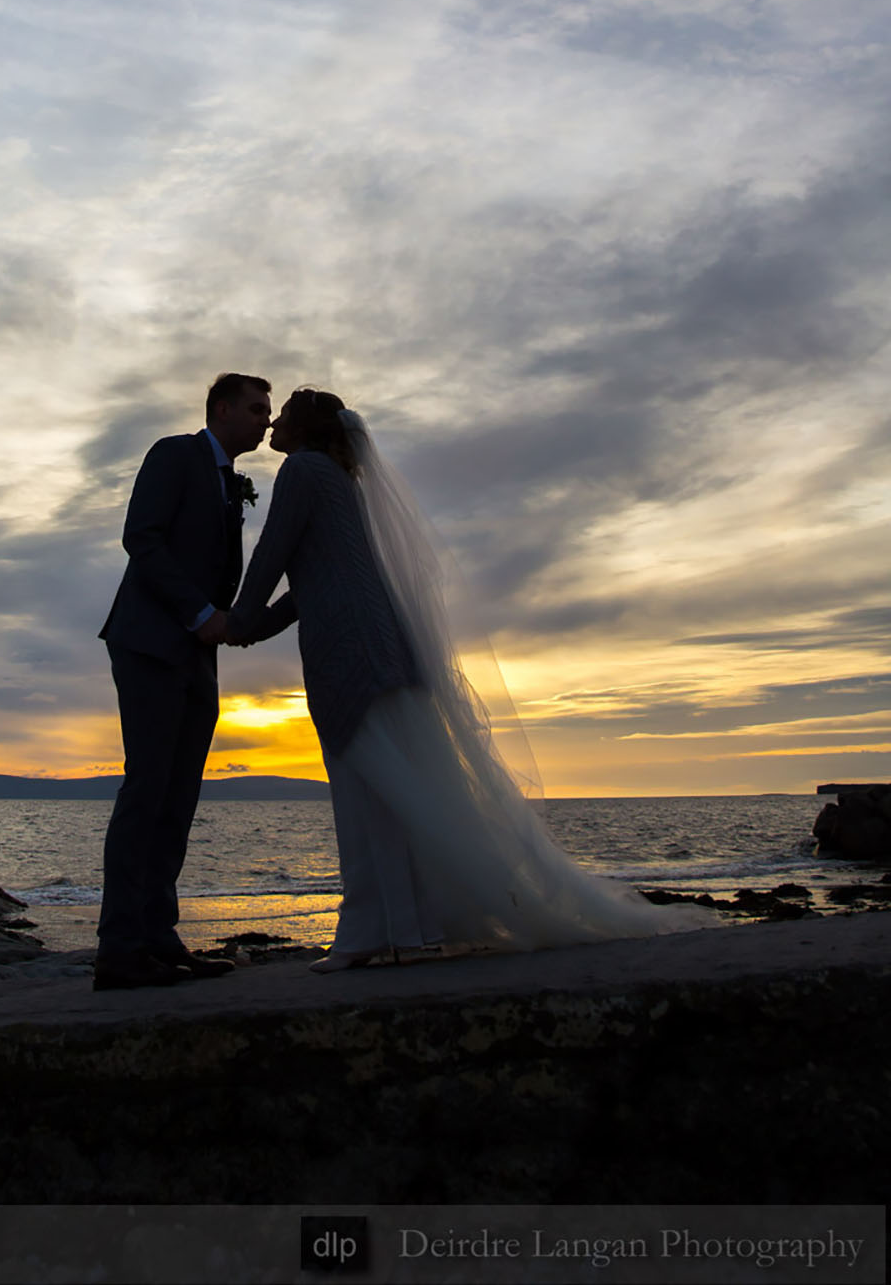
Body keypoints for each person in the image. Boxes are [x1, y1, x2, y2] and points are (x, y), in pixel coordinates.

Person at [225, 388, 715, 972]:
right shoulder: (341, 481)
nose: (273, 421)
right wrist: (251, 628)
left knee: (363, 793)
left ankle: (369, 932)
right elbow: (312, 581)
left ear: (304, 428)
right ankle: (410, 928)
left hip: (347, 650)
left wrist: (236, 621)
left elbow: (274, 556)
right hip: (382, 645)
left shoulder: (301, 469)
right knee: (393, 789)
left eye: (282, 413)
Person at [96, 372, 272, 990]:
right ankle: (119, 950)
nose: (265, 420)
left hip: (198, 653)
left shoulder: (231, 482)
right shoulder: (174, 454)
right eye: (255, 409)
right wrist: (199, 615)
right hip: (150, 640)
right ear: (221, 408)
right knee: (148, 787)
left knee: (180, 795)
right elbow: (140, 537)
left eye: (268, 411)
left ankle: (158, 936)